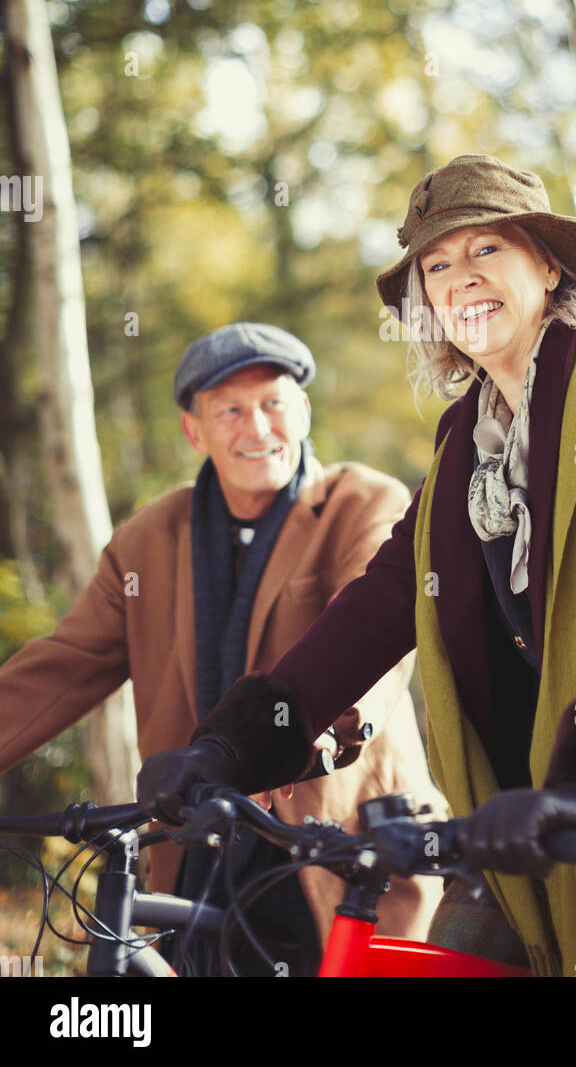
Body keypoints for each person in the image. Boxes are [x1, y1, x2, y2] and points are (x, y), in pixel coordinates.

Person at [137, 158, 576, 978]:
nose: (461, 280)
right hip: (541, 799)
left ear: (548, 265)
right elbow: (382, 603)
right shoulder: (462, 446)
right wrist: (235, 744)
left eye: (485, 249)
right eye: (438, 265)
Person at [0, 321, 443, 975]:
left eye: (273, 404)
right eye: (230, 411)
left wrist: (314, 737)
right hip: (199, 846)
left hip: (337, 840)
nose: (257, 428)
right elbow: (63, 666)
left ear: (303, 411)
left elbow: (375, 638)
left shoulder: (363, 502)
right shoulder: (147, 539)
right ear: (194, 431)